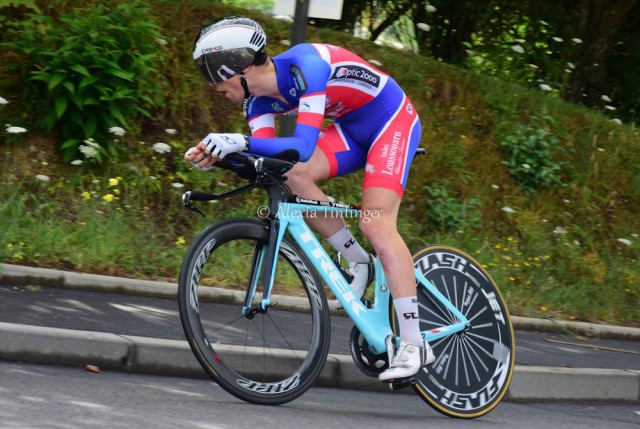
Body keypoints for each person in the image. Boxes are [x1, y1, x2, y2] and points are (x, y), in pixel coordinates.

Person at [184, 16, 434, 382]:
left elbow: (301, 146)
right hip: (351, 129)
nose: (210, 84)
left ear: (237, 64)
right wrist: (220, 158)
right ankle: (357, 260)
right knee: (288, 175)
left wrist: (237, 142)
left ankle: (415, 344)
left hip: (390, 121)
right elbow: (270, 163)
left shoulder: (307, 66)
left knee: (375, 221)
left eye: (210, 72)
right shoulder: (255, 103)